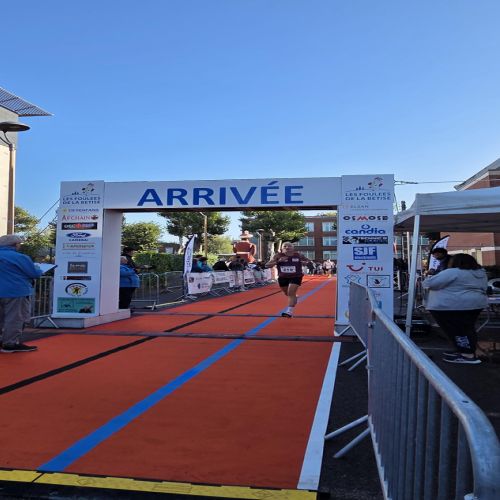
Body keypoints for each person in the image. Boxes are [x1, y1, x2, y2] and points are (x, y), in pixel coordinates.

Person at [423, 253, 488, 364]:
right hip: (476, 304)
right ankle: (465, 351)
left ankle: (467, 355)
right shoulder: (480, 273)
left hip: (452, 305)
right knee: (467, 328)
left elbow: (429, 283)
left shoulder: (453, 272)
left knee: (456, 330)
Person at [0, 234, 43, 353]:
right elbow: (34, 273)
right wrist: (39, 269)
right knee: (14, 318)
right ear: (15, 245)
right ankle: (10, 344)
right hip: (15, 291)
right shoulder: (20, 257)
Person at [265, 241, 310, 318]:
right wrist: (278, 261)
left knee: (291, 293)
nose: (287, 247)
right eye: (285, 246)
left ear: (293, 248)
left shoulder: (298, 255)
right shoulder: (278, 255)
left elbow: (308, 261)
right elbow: (267, 265)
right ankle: (294, 298)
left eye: (289, 246)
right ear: (282, 248)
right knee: (287, 293)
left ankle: (289, 312)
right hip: (283, 277)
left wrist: (305, 262)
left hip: (296, 276)